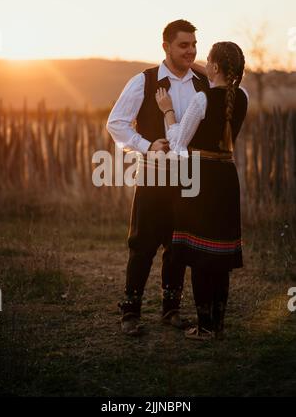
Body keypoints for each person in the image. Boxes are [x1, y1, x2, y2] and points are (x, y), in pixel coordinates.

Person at [106, 19, 209, 335]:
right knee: (142, 245)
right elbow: (116, 123)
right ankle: (130, 313)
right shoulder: (145, 81)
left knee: (178, 246)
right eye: (183, 45)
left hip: (188, 178)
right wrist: (147, 145)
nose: (190, 50)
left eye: (193, 44)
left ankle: (171, 310)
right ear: (165, 46)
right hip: (152, 176)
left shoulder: (201, 85)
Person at [155, 41, 248, 340]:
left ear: (216, 67)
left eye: (208, 61)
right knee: (218, 254)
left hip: (200, 178)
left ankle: (205, 327)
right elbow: (221, 88)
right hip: (226, 177)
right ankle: (216, 326)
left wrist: (168, 110)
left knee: (198, 253)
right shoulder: (242, 96)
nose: (204, 64)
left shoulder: (201, 100)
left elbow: (178, 143)